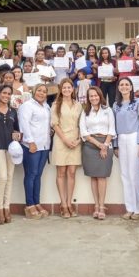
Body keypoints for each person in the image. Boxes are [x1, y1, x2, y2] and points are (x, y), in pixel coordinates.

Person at [113, 77, 139, 220]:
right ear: (118, 87)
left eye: (127, 84)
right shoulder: (116, 105)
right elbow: (114, 126)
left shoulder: (138, 102)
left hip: (135, 138)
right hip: (121, 139)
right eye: (121, 84)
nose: (124, 87)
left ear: (131, 87)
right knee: (125, 175)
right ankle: (130, 208)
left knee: (135, 174)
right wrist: (115, 145)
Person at [79, 86, 116, 220]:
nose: (93, 98)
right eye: (91, 96)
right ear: (88, 98)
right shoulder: (85, 112)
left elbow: (112, 129)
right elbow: (84, 132)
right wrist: (98, 145)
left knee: (101, 177)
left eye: (95, 95)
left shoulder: (108, 110)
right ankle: (96, 205)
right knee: (93, 177)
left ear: (100, 96)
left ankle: (102, 206)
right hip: (90, 145)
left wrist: (105, 145)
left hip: (105, 143)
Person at [0, 84, 22, 224]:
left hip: (11, 149)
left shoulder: (13, 111)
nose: (6, 96)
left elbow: (17, 129)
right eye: (4, 93)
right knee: (1, 177)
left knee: (9, 177)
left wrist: (17, 135)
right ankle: (0, 209)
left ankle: (7, 207)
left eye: (9, 94)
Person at [18, 84, 51, 220]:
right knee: (31, 174)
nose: (41, 93)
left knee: (38, 175)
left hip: (44, 145)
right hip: (32, 145)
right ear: (33, 91)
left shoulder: (47, 106)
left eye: (44, 92)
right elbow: (24, 124)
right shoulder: (27, 106)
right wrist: (30, 141)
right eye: (39, 90)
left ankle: (37, 202)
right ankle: (29, 205)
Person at [51, 78, 83, 218]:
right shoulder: (56, 104)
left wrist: (78, 140)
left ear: (73, 89)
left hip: (75, 141)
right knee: (61, 173)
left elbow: (83, 124)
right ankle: (63, 204)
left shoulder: (78, 105)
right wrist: (65, 140)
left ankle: (70, 203)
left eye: (69, 87)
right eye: (64, 88)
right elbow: (55, 124)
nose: (66, 90)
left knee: (71, 173)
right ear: (60, 89)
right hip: (61, 140)